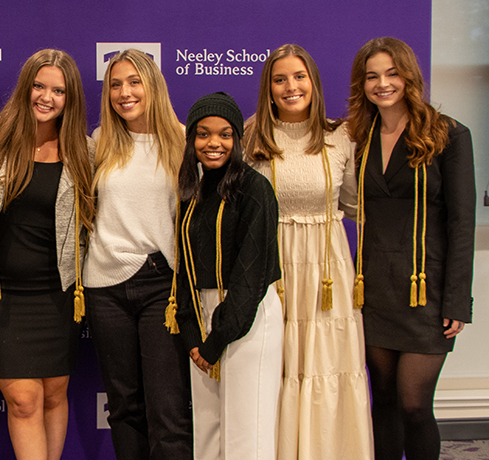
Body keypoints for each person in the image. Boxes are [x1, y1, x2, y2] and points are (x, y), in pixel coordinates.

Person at [346, 37, 475, 460]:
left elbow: (461, 223)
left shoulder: (449, 134)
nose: (383, 84)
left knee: (415, 405)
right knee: (382, 399)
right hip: (375, 290)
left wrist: (457, 300)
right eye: (372, 76)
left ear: (409, 76)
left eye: (392, 73)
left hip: (427, 291)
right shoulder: (358, 138)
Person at [243, 44, 372, 459]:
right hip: (272, 269)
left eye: (299, 77)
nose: (290, 86)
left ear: (313, 82)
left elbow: (355, 204)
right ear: (268, 87)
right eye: (280, 79)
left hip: (326, 274)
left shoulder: (342, 135)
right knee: (276, 368)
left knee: (327, 366)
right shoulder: (250, 135)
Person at [0, 49, 94, 460]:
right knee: (24, 398)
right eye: (39, 86)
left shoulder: (84, 150)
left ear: (70, 98)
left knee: (54, 394)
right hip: (3, 293)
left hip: (59, 292)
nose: (47, 97)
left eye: (58, 90)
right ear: (26, 88)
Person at [82, 48, 191, 459]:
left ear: (152, 86)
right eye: (115, 84)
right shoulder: (99, 144)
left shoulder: (183, 141)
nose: (124, 93)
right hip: (104, 287)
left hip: (162, 285)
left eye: (134, 82)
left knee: (168, 409)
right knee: (124, 407)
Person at [170, 91, 283, 460]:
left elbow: (250, 278)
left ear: (237, 139)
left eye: (224, 133)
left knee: (246, 434)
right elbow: (184, 265)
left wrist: (215, 341)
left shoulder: (255, 190)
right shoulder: (191, 192)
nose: (213, 143)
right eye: (203, 134)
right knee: (208, 432)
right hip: (203, 318)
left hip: (246, 316)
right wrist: (192, 334)